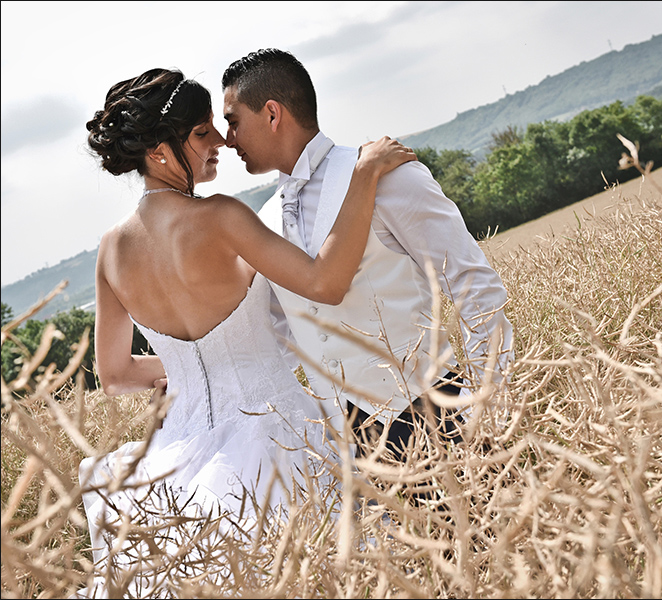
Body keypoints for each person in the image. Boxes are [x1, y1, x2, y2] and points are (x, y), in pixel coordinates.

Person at [80, 68, 416, 594]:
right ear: (159, 151)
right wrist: (364, 177)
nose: (219, 141)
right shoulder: (220, 218)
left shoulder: (110, 251)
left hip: (178, 462)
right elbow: (324, 282)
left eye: (216, 126)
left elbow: (116, 373)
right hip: (277, 434)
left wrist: (195, 369)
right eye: (200, 133)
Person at [220, 49, 514, 467]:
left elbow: (475, 285)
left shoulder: (390, 176)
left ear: (271, 114)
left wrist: (491, 403)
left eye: (233, 122)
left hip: (440, 414)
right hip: (351, 452)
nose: (227, 139)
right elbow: (279, 339)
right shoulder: (263, 222)